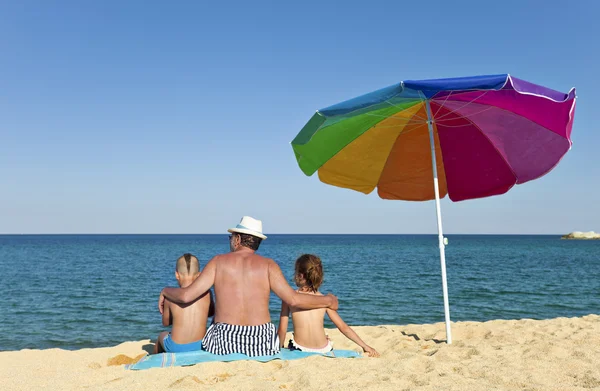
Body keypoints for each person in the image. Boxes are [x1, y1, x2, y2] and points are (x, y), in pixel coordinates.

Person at [158, 216, 338, 357]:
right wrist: (327, 300)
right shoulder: (269, 265)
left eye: (231, 237)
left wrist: (165, 291)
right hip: (262, 344)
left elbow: (186, 296)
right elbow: (293, 299)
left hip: (223, 342)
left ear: (237, 239)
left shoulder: (218, 262)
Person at [277, 254, 379, 357]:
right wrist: (365, 346)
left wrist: (279, 349)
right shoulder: (323, 300)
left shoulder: (289, 299)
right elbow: (343, 327)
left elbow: (282, 329)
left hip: (299, 348)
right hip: (324, 349)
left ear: (301, 275)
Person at [154, 253, 215, 354]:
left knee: (162, 336)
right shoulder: (208, 293)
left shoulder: (170, 297)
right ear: (199, 275)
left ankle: (155, 358)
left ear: (177, 275)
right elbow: (211, 313)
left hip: (175, 347)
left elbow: (165, 323)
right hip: (201, 345)